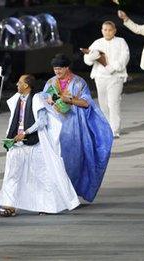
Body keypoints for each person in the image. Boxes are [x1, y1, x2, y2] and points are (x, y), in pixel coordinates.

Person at [0, 75, 79, 216]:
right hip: (16, 143)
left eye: (19, 82)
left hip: (34, 143)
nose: (17, 84)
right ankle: (10, 206)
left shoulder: (36, 99)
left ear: (26, 86)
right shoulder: (16, 99)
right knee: (12, 174)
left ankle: (47, 206)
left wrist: (25, 132)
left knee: (41, 174)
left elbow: (42, 121)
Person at [42, 54, 113, 203]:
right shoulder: (50, 82)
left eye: (60, 69)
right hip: (54, 127)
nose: (57, 72)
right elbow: (43, 100)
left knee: (73, 161)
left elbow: (87, 103)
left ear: (67, 68)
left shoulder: (79, 83)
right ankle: (58, 195)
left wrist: (71, 100)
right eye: (55, 69)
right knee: (55, 161)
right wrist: (48, 100)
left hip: (74, 128)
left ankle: (71, 195)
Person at [82, 21, 130, 138]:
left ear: (114, 31)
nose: (107, 32)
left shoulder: (121, 41)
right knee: (103, 104)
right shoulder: (97, 42)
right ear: (102, 30)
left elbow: (125, 57)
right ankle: (107, 127)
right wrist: (91, 57)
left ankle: (115, 129)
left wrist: (113, 68)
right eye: (105, 30)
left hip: (116, 77)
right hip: (100, 77)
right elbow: (87, 60)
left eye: (109, 30)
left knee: (113, 102)